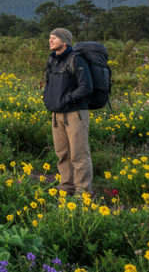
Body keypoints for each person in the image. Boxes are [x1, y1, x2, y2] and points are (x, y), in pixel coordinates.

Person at [44, 28, 94, 196]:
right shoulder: (52, 60)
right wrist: (48, 100)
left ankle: (83, 193)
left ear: (64, 41)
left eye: (54, 38)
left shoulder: (76, 60)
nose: (50, 41)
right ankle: (66, 187)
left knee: (79, 155)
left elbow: (86, 87)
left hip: (75, 113)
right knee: (63, 154)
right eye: (50, 38)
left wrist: (67, 99)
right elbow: (48, 83)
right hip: (57, 114)